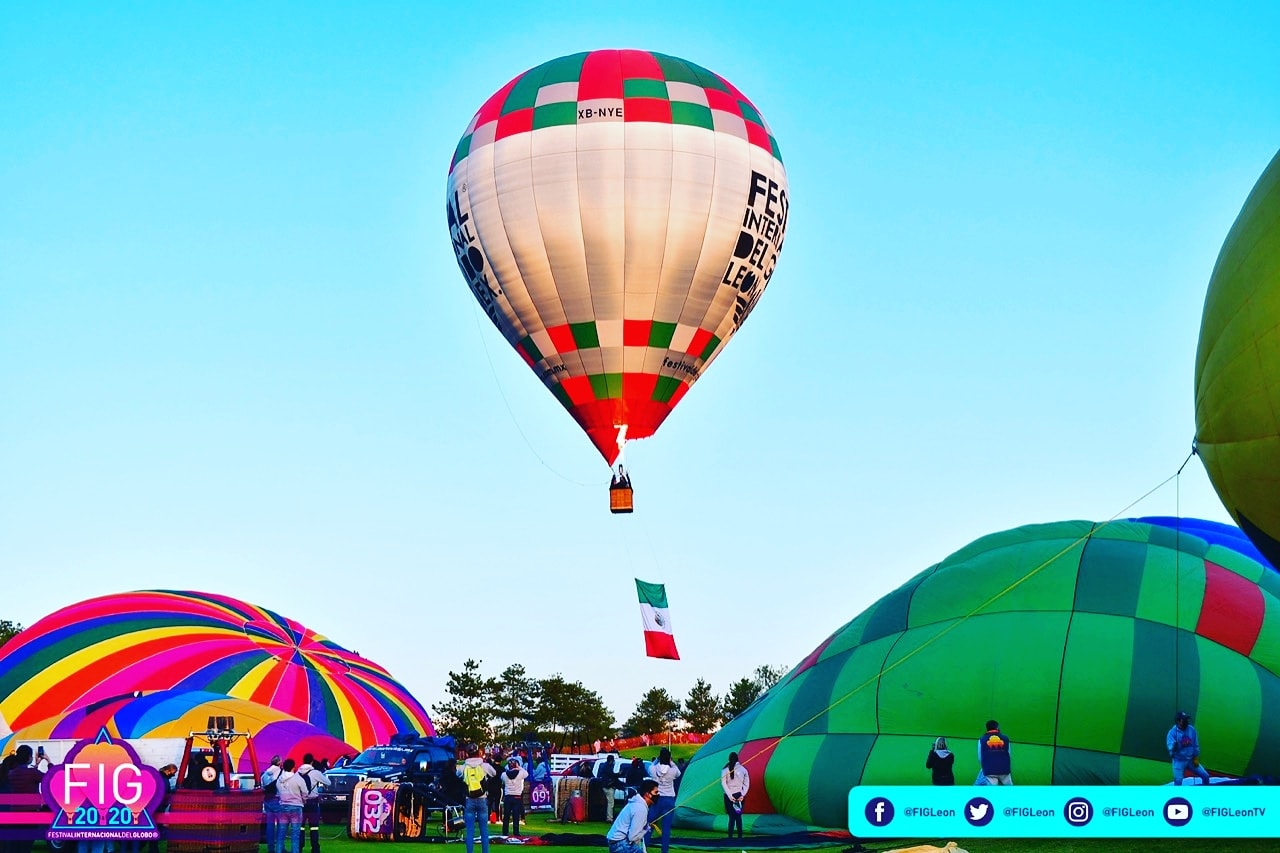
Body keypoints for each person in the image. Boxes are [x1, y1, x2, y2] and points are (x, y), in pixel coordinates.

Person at [458, 743, 497, 853]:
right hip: (482, 799)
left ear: (467, 753)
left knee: (470, 831)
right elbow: (494, 773)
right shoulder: (484, 766)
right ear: (478, 752)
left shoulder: (463, 767)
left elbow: (457, 775)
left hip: (469, 799)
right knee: (484, 831)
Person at [605, 780, 658, 853]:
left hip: (616, 842)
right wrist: (645, 830)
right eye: (656, 792)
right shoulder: (640, 808)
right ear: (647, 794)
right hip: (620, 844)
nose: (658, 795)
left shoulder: (636, 803)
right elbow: (633, 837)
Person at [298, 753, 331, 853]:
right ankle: (315, 848)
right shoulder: (315, 773)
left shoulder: (298, 772)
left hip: (300, 802)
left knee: (300, 827)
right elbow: (328, 782)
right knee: (314, 827)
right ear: (312, 762)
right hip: (312, 802)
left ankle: (299, 847)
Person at [651, 747, 682, 853]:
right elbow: (678, 773)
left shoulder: (654, 769)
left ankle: (644, 846)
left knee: (649, 824)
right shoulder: (672, 771)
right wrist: (671, 762)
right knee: (666, 828)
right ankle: (664, 851)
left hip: (657, 799)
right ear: (669, 758)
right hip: (669, 799)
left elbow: (650, 766)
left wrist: (657, 759)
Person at [1168, 711, 1212, 785]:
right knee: (1178, 782)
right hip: (1179, 761)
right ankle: (1178, 796)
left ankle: (1205, 793)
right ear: (1178, 721)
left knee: (1205, 776)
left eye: (1186, 719)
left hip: (1191, 759)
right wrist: (1174, 747)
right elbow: (1171, 752)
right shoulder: (1172, 733)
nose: (1186, 721)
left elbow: (1196, 745)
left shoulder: (1191, 729)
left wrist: (1196, 757)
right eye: (1183, 720)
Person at [276, 758, 309, 853]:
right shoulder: (297, 778)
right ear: (293, 767)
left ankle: (278, 850)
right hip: (296, 806)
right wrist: (303, 800)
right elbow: (305, 792)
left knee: (281, 833)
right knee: (295, 834)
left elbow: (278, 792)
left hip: (283, 806)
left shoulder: (279, 780)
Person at [720, 751, 749, 839]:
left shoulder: (724, 770)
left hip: (730, 796)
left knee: (732, 817)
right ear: (737, 759)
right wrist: (743, 794)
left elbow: (723, 783)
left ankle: (730, 838)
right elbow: (747, 783)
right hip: (739, 796)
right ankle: (740, 837)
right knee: (738, 816)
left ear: (729, 759)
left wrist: (730, 796)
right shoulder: (743, 769)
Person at [978, 720, 1012, 785]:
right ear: (997, 727)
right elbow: (1008, 754)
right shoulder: (1005, 738)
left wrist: (985, 767)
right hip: (1004, 769)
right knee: (1010, 790)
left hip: (989, 770)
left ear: (987, 728)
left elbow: (980, 757)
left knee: (992, 792)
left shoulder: (981, 739)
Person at [500, 757, 528, 836]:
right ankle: (516, 832)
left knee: (506, 816)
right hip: (517, 797)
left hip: (508, 796)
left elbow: (502, 779)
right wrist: (519, 767)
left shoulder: (504, 774)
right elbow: (526, 774)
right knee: (516, 816)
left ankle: (505, 832)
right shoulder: (520, 773)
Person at [261, 755, 284, 853]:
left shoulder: (265, 774)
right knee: (281, 825)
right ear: (279, 763)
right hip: (277, 800)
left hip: (267, 800)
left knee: (270, 825)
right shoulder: (280, 772)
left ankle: (270, 848)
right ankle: (280, 848)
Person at [596, 754, 621, 821]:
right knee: (611, 803)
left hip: (605, 786)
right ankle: (609, 818)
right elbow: (612, 775)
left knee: (608, 802)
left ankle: (609, 817)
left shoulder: (605, 766)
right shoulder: (608, 767)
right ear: (611, 761)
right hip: (608, 787)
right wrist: (618, 774)